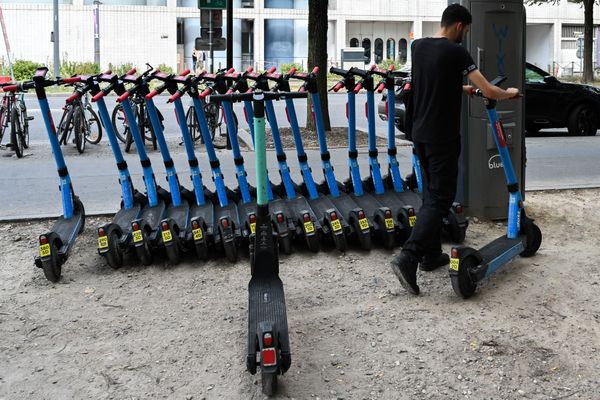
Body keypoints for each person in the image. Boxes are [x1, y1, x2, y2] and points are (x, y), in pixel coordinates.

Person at [390, 3, 519, 295]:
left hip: (420, 134)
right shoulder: (456, 52)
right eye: (467, 29)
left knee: (430, 195)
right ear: (459, 25)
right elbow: (489, 90)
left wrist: (464, 89)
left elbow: (432, 83)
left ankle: (431, 255)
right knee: (441, 197)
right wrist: (508, 94)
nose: (466, 34)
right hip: (441, 137)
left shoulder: (418, 47)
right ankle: (408, 257)